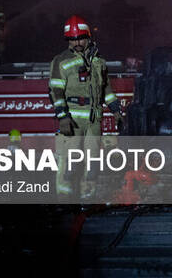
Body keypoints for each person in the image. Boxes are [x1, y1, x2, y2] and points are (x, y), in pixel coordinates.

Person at [48, 14, 124, 199]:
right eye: (73, 39)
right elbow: (55, 92)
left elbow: (106, 89)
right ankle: (64, 200)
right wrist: (63, 117)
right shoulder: (61, 61)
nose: (77, 43)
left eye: (80, 38)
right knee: (69, 163)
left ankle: (87, 199)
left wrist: (116, 112)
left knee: (93, 163)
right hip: (72, 120)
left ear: (88, 37)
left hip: (94, 119)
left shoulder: (99, 62)